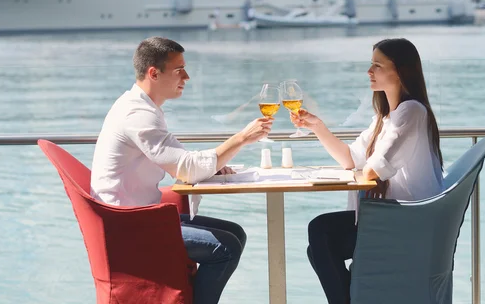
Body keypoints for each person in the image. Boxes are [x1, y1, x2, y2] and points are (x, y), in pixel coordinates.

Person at [91, 36, 273, 304]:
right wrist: (241, 138)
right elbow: (186, 169)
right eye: (179, 70)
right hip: (129, 227)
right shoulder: (137, 114)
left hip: (139, 218)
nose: (186, 77)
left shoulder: (142, 107)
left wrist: (217, 167)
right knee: (227, 247)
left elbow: (183, 160)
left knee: (236, 233)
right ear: (154, 73)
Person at [290, 38, 444, 304]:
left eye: (377, 65)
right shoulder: (385, 118)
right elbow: (351, 159)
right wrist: (317, 126)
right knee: (318, 245)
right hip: (389, 217)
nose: (369, 72)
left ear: (399, 70)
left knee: (320, 232)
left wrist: (364, 169)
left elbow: (373, 171)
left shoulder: (411, 112)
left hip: (406, 221)